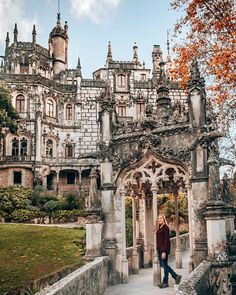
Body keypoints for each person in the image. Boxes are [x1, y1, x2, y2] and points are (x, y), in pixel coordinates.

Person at [155, 214, 182, 288]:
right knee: (163, 265)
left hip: (164, 249)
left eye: (161, 218)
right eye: (158, 218)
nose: (159, 219)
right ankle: (175, 276)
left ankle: (167, 281)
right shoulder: (160, 227)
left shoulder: (166, 228)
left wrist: (164, 251)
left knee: (164, 265)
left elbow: (166, 240)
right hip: (159, 249)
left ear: (164, 219)